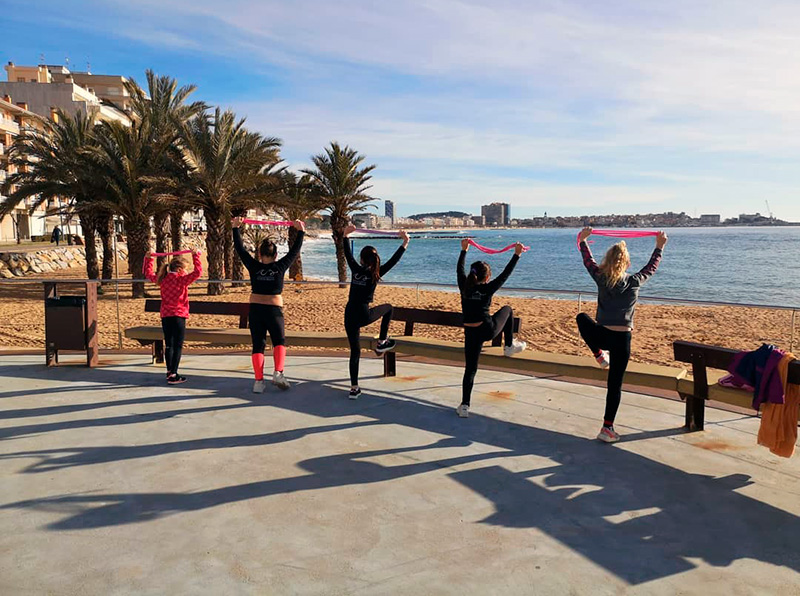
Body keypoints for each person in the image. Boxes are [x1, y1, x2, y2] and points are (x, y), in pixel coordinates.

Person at [576, 227, 668, 443]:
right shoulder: (634, 281)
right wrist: (659, 247)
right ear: (627, 264)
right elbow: (651, 267)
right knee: (614, 385)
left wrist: (583, 241)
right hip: (622, 340)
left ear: (607, 261)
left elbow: (588, 261)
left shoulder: (601, 278)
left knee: (581, 317)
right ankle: (607, 428)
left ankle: (598, 354)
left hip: (601, 335)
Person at [232, 217, 305, 393]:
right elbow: (294, 252)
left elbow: (240, 250)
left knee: (258, 344)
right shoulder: (280, 266)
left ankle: (258, 382)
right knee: (279, 341)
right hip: (274, 311)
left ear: (259, 254)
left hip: (256, 310)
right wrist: (301, 231)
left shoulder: (254, 266)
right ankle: (278, 373)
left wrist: (235, 228)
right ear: (275, 255)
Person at [456, 238, 527, 418]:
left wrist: (464, 250)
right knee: (508, 309)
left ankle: (465, 405)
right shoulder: (488, 288)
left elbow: (459, 269)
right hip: (488, 330)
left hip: (471, 333)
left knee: (470, 369)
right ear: (487, 277)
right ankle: (509, 346)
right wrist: (516, 255)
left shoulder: (464, 287)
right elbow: (505, 274)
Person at [342, 224, 409, 399]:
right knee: (389, 308)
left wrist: (345, 236)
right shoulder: (376, 274)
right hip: (363, 315)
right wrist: (405, 242)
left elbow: (347, 254)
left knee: (354, 352)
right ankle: (381, 341)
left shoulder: (356, 270)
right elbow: (394, 261)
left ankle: (354, 388)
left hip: (349, 315)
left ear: (362, 260)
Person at [143, 249, 203, 384]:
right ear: (180, 269)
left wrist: (148, 259)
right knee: (178, 345)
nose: (186, 272)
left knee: (169, 345)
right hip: (178, 315)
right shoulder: (182, 280)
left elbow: (148, 273)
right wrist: (196, 256)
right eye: (185, 269)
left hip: (165, 315)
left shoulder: (162, 280)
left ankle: (170, 371)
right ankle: (173, 374)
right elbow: (198, 272)